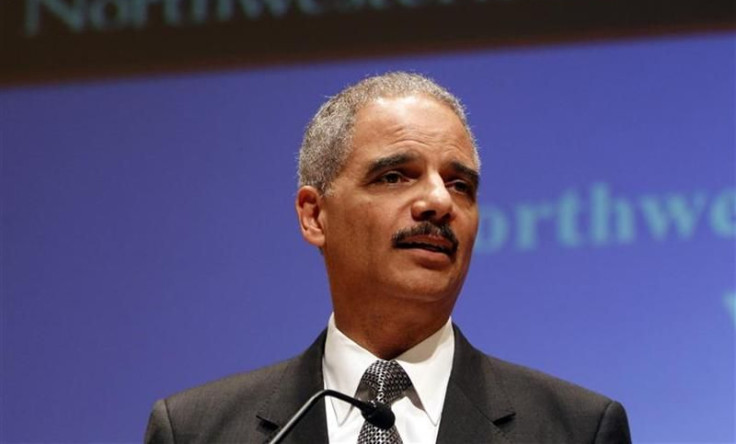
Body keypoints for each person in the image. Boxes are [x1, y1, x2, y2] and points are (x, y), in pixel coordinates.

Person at [145, 72, 632, 443]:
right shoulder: (195, 431)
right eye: (396, 176)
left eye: (460, 185)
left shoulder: (577, 429)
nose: (440, 202)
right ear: (315, 216)